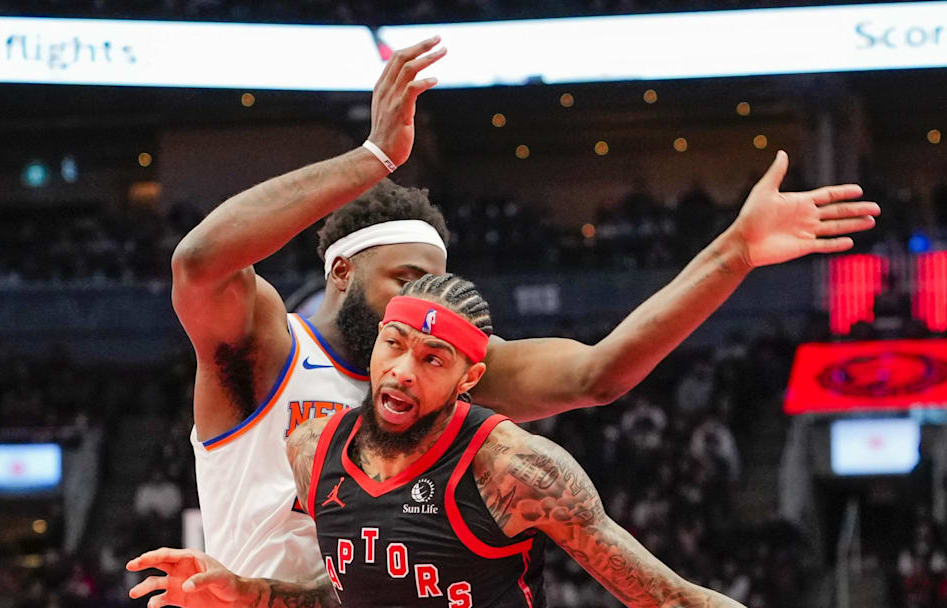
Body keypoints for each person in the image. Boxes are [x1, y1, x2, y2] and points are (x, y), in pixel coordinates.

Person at [171, 35, 879, 584]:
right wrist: (374, 157)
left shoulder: (445, 370)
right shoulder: (266, 351)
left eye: (434, 287)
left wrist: (735, 253)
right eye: (405, 280)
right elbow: (199, 262)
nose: (422, 304)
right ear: (342, 271)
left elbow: (598, 374)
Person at [127, 274, 748, 607]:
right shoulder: (313, 450)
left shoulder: (514, 468)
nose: (402, 371)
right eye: (394, 345)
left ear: (468, 380)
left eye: (432, 359)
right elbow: (350, 597)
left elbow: (670, 599)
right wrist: (246, 593)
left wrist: (738, 251)